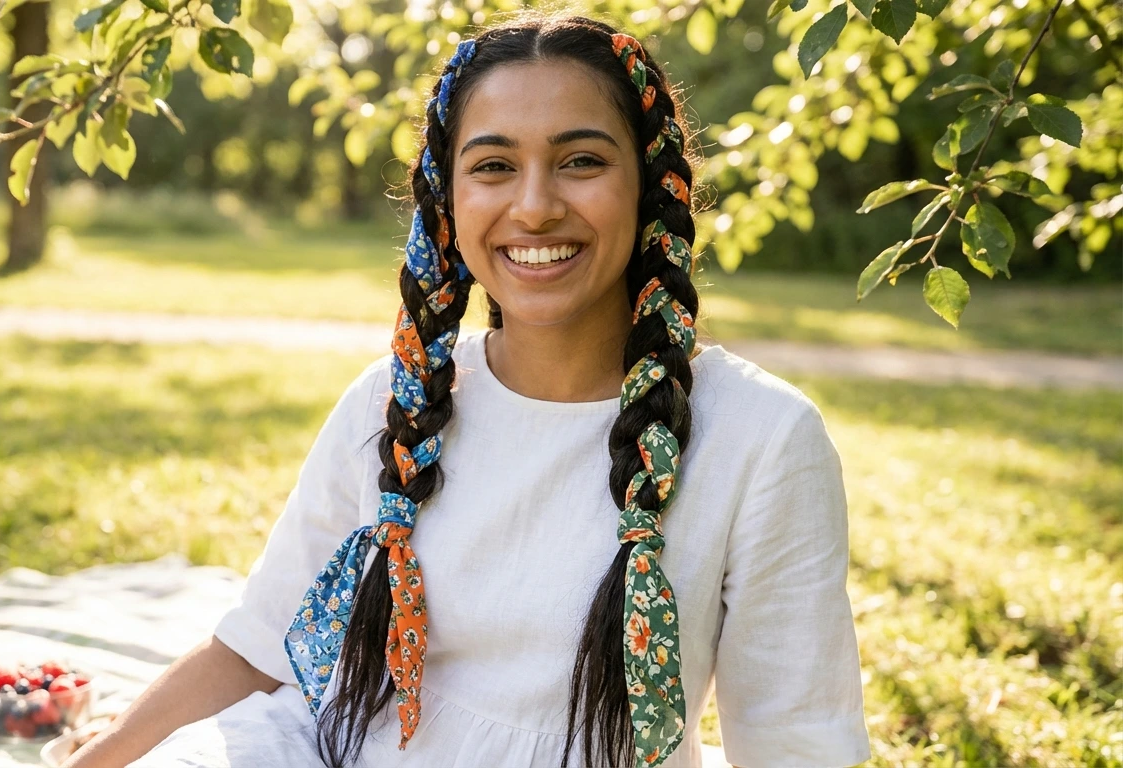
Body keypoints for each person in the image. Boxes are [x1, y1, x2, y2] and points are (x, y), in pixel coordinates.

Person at [65, 11, 871, 768]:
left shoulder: (762, 439)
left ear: (653, 186)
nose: (534, 205)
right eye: (492, 166)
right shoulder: (394, 399)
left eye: (581, 161)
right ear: (448, 201)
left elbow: (799, 740)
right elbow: (257, 649)